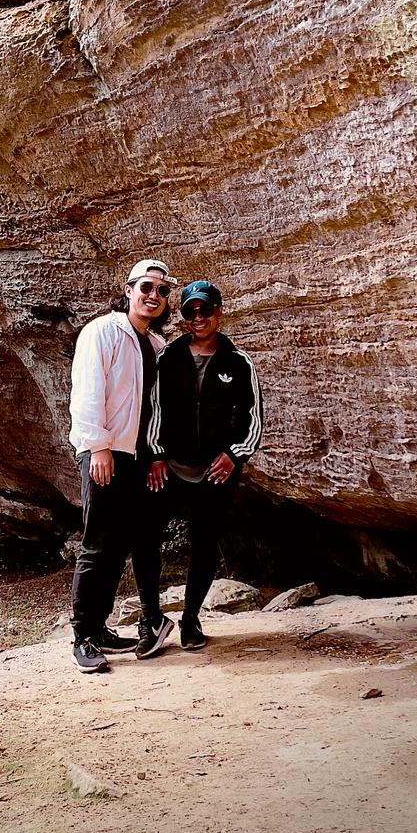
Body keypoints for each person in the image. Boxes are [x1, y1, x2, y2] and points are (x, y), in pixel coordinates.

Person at [134, 278, 263, 653]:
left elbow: (254, 416)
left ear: (218, 311)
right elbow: (154, 409)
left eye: (204, 309)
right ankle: (150, 619)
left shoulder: (238, 363)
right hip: (170, 464)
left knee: (205, 544)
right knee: (144, 537)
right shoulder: (168, 358)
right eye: (190, 311)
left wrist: (234, 454)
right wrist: (156, 454)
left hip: (215, 469)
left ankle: (190, 619)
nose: (198, 317)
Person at [68, 258, 174, 673]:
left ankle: (102, 627)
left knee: (119, 547)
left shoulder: (156, 346)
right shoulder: (101, 331)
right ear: (128, 289)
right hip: (105, 452)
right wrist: (98, 447)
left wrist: (155, 454)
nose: (154, 296)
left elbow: (156, 409)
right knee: (97, 544)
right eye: (147, 287)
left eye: (162, 291)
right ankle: (83, 637)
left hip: (138, 456)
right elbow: (89, 390)